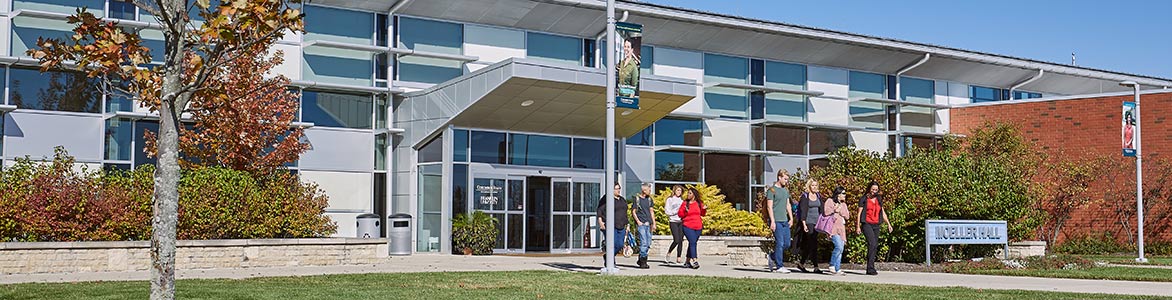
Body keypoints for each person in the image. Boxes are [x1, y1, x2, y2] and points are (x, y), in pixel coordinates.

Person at [855, 181, 893, 276]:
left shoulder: (879, 199)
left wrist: (888, 223)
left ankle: (871, 267)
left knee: (875, 245)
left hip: (876, 224)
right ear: (869, 189)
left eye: (876, 190)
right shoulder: (864, 199)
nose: (874, 191)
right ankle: (870, 268)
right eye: (873, 189)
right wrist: (858, 226)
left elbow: (882, 212)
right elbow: (859, 213)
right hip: (867, 223)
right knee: (872, 243)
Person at [765, 170, 794, 273]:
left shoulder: (785, 191)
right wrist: (772, 221)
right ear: (779, 177)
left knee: (787, 244)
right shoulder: (772, 190)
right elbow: (769, 207)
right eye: (785, 179)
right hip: (776, 220)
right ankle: (779, 266)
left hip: (784, 221)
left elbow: (788, 205)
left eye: (787, 179)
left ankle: (772, 256)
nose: (786, 181)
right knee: (780, 243)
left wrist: (791, 218)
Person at [597, 182, 630, 265]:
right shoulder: (606, 199)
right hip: (610, 226)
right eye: (616, 189)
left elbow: (624, 213)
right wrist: (600, 222)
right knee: (612, 243)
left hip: (621, 225)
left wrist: (628, 224)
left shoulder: (622, 200)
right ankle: (611, 261)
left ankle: (608, 257)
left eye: (619, 188)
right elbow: (600, 211)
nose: (618, 190)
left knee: (619, 245)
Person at [797, 179, 825, 273]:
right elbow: (803, 211)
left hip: (817, 223)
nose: (814, 187)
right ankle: (816, 266)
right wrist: (804, 224)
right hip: (808, 222)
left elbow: (822, 209)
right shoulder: (805, 196)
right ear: (809, 186)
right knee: (813, 244)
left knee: (810, 245)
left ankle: (801, 263)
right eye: (812, 185)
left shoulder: (818, 196)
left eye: (816, 185)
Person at [678, 187, 707, 269]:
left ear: (694, 195)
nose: (688, 194)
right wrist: (685, 211)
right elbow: (680, 214)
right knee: (693, 242)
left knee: (692, 243)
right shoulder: (684, 203)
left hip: (698, 226)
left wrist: (704, 210)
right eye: (688, 193)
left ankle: (687, 262)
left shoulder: (699, 203)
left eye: (690, 193)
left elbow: (702, 214)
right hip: (687, 226)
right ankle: (695, 260)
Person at [824, 186, 850, 275]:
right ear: (838, 194)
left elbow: (847, 216)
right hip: (833, 228)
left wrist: (840, 210)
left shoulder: (844, 204)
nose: (845, 195)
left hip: (841, 229)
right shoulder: (830, 201)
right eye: (843, 193)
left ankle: (837, 268)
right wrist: (835, 210)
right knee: (838, 246)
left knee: (841, 249)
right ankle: (832, 264)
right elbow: (826, 212)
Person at [632, 183, 656, 269]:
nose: (650, 191)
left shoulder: (649, 200)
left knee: (648, 243)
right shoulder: (637, 199)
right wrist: (638, 221)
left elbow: (651, 211)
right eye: (649, 189)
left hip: (648, 224)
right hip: (641, 224)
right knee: (644, 243)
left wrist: (654, 223)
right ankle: (643, 262)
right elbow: (634, 211)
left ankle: (641, 258)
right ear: (644, 190)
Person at [664, 185, 685, 265]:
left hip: (681, 221)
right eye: (678, 190)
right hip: (673, 221)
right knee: (676, 239)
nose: (679, 192)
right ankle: (669, 252)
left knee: (681, 240)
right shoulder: (670, 199)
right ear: (674, 191)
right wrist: (675, 212)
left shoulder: (682, 200)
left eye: (680, 191)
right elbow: (667, 211)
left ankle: (678, 257)